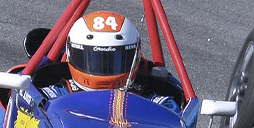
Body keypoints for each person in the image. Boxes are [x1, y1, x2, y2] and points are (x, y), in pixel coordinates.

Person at [40, 11, 180, 112]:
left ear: (135, 57)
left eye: (114, 61)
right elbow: (30, 103)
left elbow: (172, 115)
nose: (103, 68)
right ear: (71, 54)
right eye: (94, 60)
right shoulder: (57, 95)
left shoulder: (150, 100)